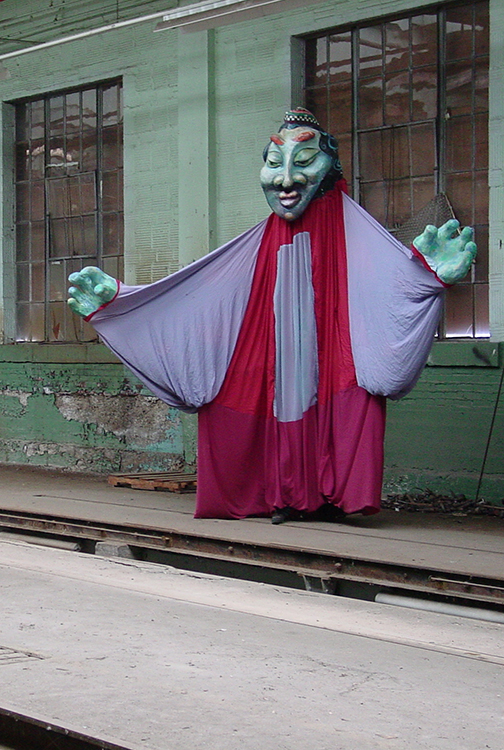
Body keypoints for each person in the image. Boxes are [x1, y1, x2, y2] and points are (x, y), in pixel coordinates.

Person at [68, 108, 476, 524]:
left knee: (331, 392)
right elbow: (194, 296)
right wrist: (120, 304)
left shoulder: (353, 233)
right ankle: (285, 492)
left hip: (335, 355)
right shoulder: (255, 249)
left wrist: (426, 277)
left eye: (304, 162)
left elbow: (386, 287)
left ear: (330, 167)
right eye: (274, 163)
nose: (285, 180)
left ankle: (324, 495)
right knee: (280, 392)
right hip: (277, 358)